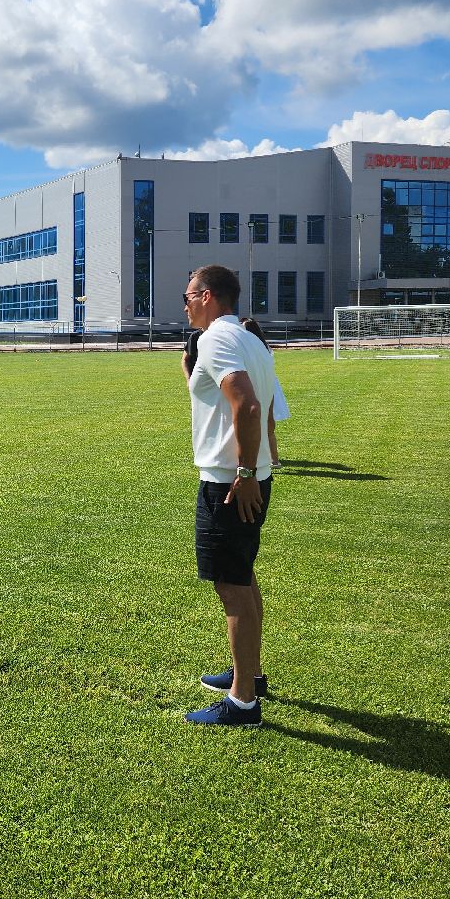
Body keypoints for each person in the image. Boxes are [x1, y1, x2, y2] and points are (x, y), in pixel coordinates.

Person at [181, 265, 279, 728]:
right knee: (242, 576)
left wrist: (241, 473)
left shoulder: (217, 339)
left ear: (208, 296)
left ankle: (242, 703)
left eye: (189, 296)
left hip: (229, 482)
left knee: (231, 586)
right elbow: (262, 405)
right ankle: (250, 675)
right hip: (248, 476)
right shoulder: (248, 339)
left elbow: (249, 405)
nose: (184, 305)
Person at [241, 318, 289, 468]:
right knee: (266, 425)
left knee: (263, 425)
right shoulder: (263, 346)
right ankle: (271, 459)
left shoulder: (252, 347)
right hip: (267, 384)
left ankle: (270, 459)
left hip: (259, 385)